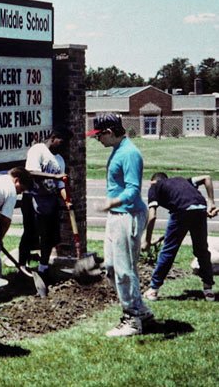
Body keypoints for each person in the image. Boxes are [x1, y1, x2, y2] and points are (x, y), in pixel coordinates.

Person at [86, 113, 153, 337]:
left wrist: (110, 203)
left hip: (128, 216)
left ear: (110, 132)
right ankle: (141, 311)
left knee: (124, 270)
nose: (97, 140)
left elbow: (133, 190)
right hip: (116, 216)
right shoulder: (118, 150)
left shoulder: (130, 154)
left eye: (99, 136)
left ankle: (132, 319)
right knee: (113, 268)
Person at [142, 173, 216, 302]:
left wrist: (147, 241)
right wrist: (211, 202)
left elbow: (152, 216)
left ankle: (153, 290)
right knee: (201, 250)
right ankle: (208, 289)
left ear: (153, 182)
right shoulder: (183, 181)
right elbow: (207, 178)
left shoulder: (155, 186)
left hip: (181, 210)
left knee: (168, 251)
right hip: (200, 208)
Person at [19, 127, 73, 280]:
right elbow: (31, 173)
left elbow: (61, 185)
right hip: (32, 197)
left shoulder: (60, 160)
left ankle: (43, 267)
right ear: (54, 137)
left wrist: (67, 200)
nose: (65, 146)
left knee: (48, 236)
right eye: (63, 142)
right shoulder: (38, 150)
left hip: (49, 199)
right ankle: (22, 266)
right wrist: (55, 177)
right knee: (30, 233)